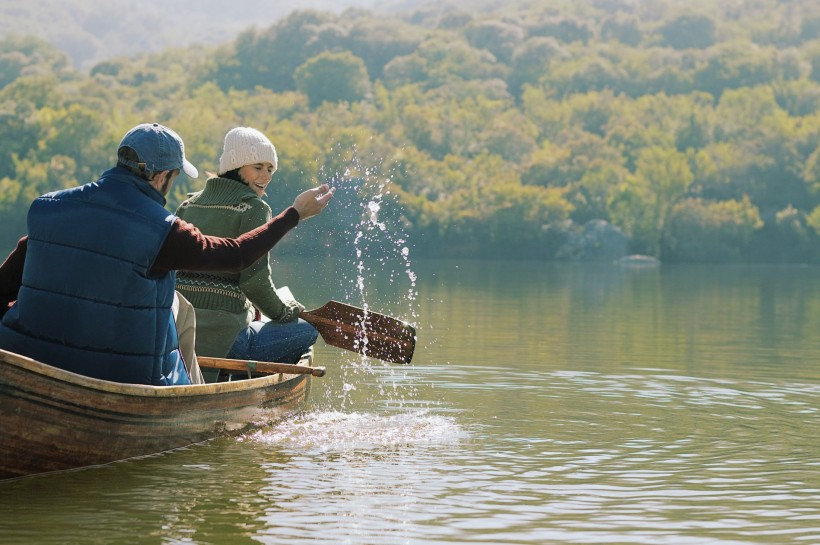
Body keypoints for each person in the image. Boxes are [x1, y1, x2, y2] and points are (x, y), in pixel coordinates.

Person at [0, 123, 333, 386]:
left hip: (21, 358)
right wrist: (294, 214)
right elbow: (236, 255)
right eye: (173, 178)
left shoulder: (47, 208)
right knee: (182, 312)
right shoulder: (163, 230)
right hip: (128, 375)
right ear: (161, 177)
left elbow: (4, 287)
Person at [174, 127, 321, 381]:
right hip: (228, 339)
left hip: (180, 337)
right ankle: (245, 381)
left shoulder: (187, 206)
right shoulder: (253, 208)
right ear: (236, 165)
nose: (266, 176)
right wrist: (287, 312)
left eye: (270, 169)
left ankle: (223, 378)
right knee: (308, 331)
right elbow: (254, 280)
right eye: (258, 167)